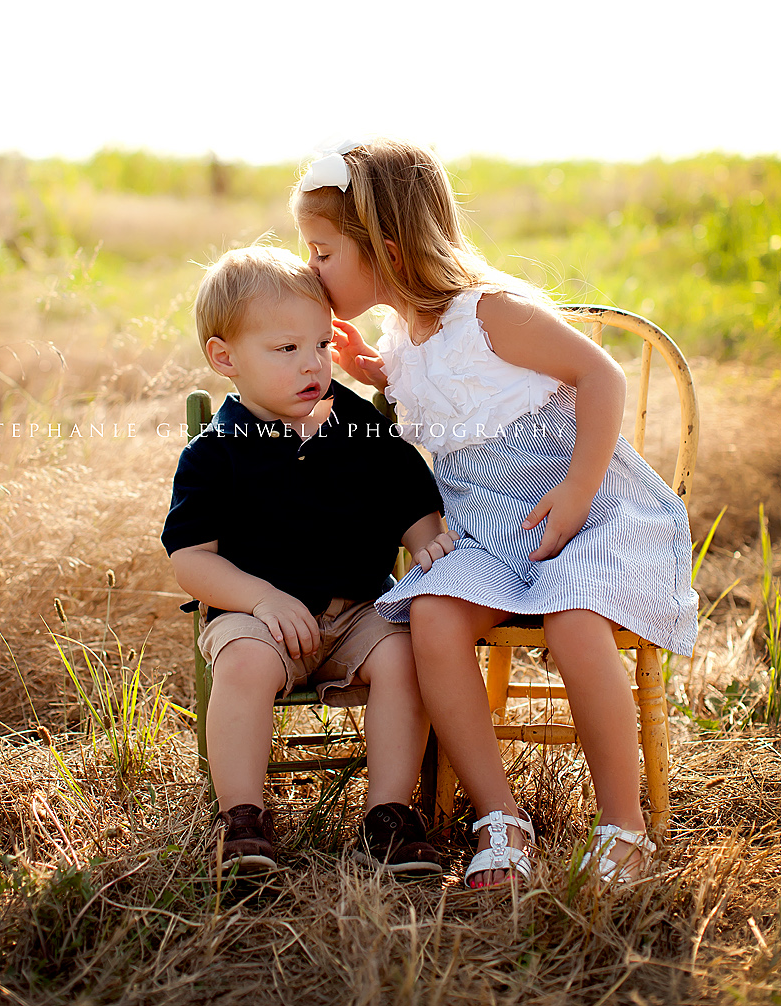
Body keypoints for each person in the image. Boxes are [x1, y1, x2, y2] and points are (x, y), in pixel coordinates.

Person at [293, 137, 698, 890]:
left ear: (383, 251)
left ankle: (623, 825)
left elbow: (600, 376)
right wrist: (376, 373)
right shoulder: (402, 333)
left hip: (584, 510)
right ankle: (499, 815)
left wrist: (576, 493)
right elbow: (444, 389)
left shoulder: (490, 312)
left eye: (321, 254)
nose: (309, 270)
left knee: (577, 622)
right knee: (438, 619)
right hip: (487, 525)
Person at [162, 244, 451, 878]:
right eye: (286, 349)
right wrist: (261, 599)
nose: (312, 364)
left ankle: (388, 818)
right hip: (257, 616)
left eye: (320, 345)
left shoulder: (356, 425)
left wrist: (426, 532)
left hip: (358, 613)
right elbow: (192, 561)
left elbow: (407, 491)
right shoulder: (217, 453)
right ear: (225, 358)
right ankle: (242, 819)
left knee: (406, 656)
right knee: (241, 664)